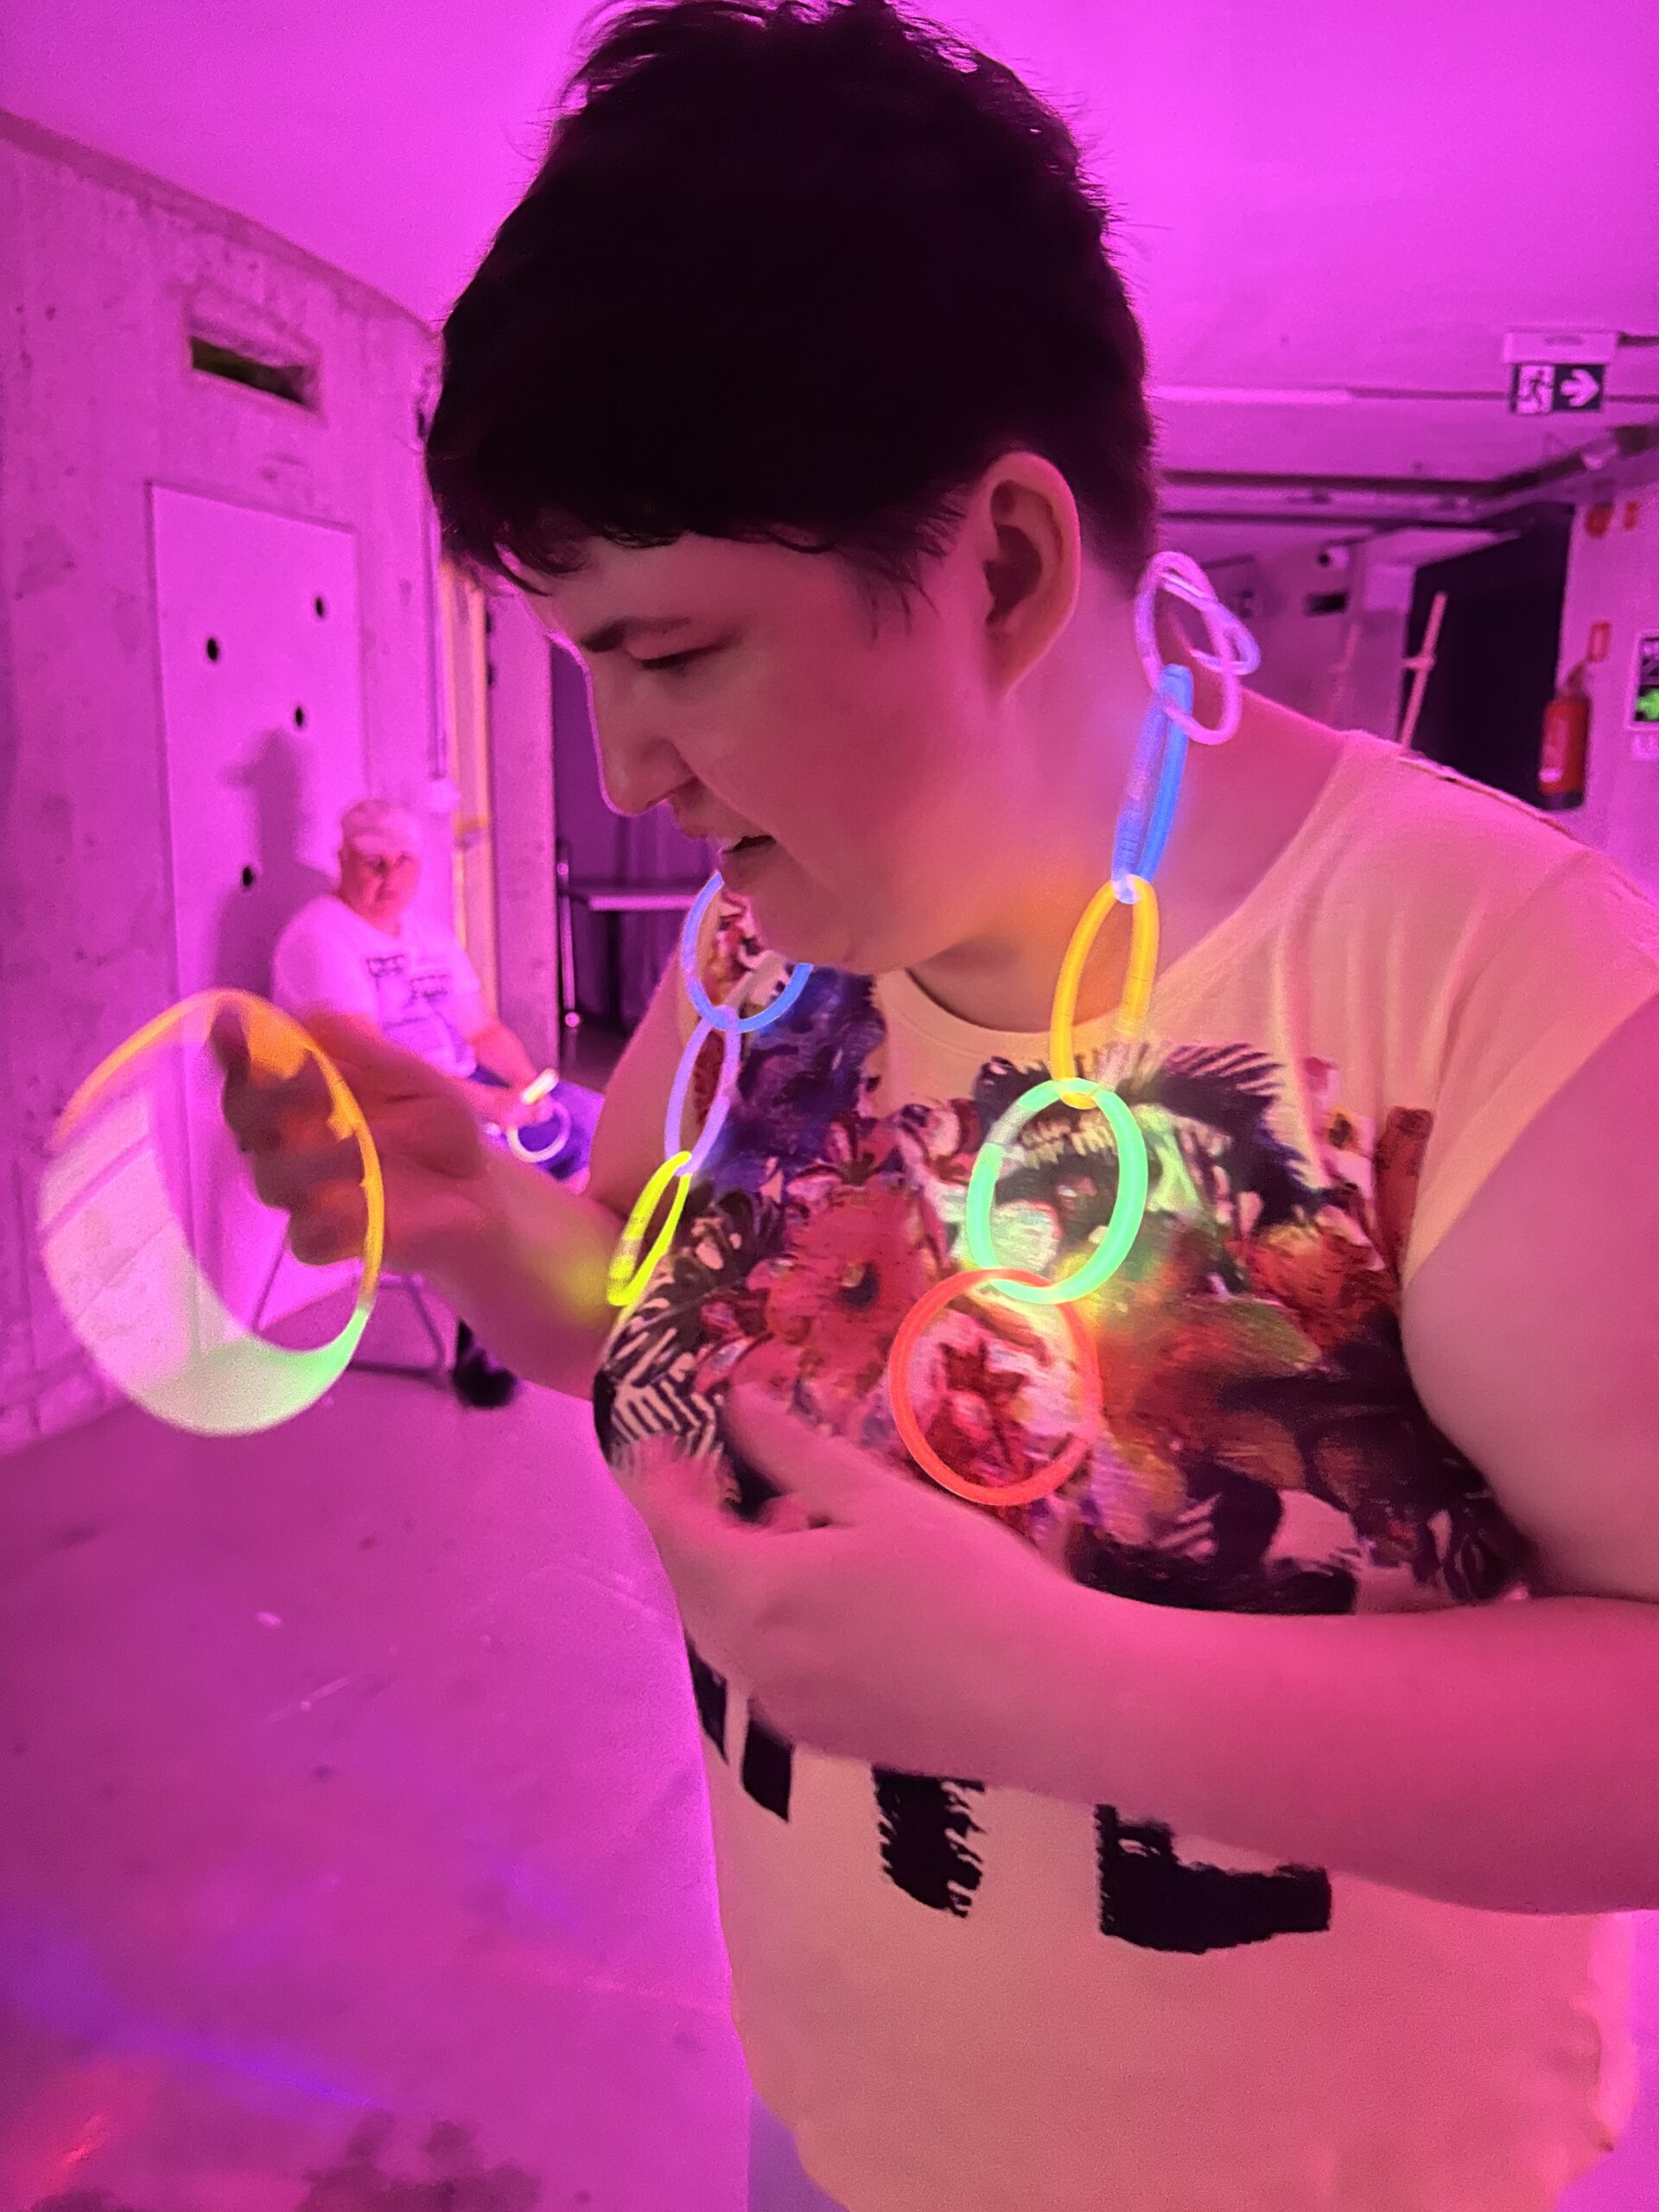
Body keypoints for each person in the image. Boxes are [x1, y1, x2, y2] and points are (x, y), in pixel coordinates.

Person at [227, 3, 1659, 2207]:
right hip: (840, 2125)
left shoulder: (1490, 984)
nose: (627, 767)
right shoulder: (763, 943)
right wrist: (482, 1236)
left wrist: (1077, 1690)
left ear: (998, 562)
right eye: (585, 658)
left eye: (675, 652)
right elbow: (658, 1327)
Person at [270, 796, 553, 1409]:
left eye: (403, 863)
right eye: (374, 863)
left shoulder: (431, 937)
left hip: (450, 1096)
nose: (389, 878)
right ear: (343, 860)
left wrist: (528, 1086)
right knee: (486, 1182)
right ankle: (485, 1338)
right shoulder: (320, 937)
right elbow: (367, 1059)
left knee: (579, 1131)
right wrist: (481, 1102)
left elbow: (483, 1030)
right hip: (364, 1115)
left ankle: (555, 1305)